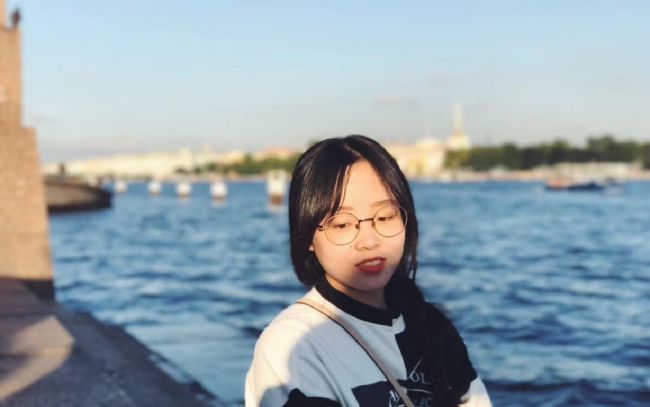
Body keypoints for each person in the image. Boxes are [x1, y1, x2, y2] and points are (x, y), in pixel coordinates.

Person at [245, 135, 492, 407]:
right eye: (342, 224)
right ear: (307, 236)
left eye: (384, 217)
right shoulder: (292, 345)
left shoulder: (433, 328)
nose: (370, 241)